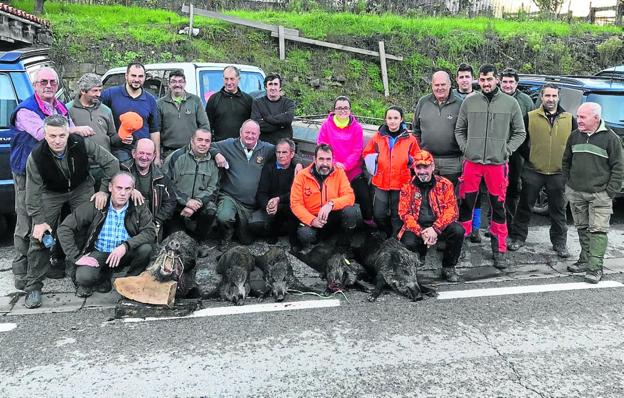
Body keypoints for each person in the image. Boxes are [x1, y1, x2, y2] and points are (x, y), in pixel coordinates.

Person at [9, 67, 95, 290]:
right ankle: (22, 271)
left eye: (52, 82)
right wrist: (75, 131)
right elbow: (42, 133)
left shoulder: (57, 107)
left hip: (51, 173)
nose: (48, 86)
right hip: (25, 171)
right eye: (43, 82)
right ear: (35, 85)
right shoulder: (25, 110)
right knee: (27, 222)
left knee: (54, 221)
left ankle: (49, 264)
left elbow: (68, 130)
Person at [23, 115, 120, 308]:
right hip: (51, 193)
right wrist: (39, 220)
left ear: (68, 133)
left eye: (61, 135)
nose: (57, 140)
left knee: (87, 230)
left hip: (81, 187)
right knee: (40, 236)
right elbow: (32, 193)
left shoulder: (81, 144)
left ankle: (83, 278)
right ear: (45, 135)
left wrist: (102, 190)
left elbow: (112, 163)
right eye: (52, 136)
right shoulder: (35, 157)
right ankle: (33, 286)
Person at [454, 64, 526, 269]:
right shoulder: (470, 102)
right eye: (483, 80)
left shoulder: (510, 103)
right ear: (479, 80)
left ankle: (499, 250)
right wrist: (466, 148)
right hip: (472, 162)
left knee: (498, 208)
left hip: (497, 164)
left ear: (497, 80)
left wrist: (506, 150)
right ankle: (459, 248)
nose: (486, 83)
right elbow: (460, 129)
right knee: (466, 205)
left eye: (490, 79)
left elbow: (520, 132)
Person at [57, 172, 156, 298]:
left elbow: (150, 232)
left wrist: (125, 246)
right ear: (110, 187)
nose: (123, 193)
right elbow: (64, 228)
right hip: (100, 251)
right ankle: (104, 275)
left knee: (146, 249)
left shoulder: (138, 206)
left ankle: (130, 281)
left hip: (124, 253)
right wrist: (76, 256)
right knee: (84, 277)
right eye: (119, 188)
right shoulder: (97, 204)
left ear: (133, 190)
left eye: (127, 189)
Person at [508, 84, 576, 257]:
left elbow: (574, 144)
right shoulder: (530, 117)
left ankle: (560, 243)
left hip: (558, 173)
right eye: (547, 96)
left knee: (558, 210)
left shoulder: (569, 119)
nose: (550, 99)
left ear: (558, 97)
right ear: (541, 97)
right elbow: (520, 140)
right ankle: (517, 238)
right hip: (533, 170)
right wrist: (531, 156)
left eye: (554, 96)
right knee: (524, 207)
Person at [562, 102, 624, 283]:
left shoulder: (611, 139)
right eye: (578, 116)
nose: (578, 120)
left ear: (596, 118)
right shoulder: (574, 136)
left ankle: (595, 268)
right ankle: (585, 259)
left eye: (582, 117)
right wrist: (569, 184)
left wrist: (609, 192)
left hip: (600, 194)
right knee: (582, 227)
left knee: (597, 230)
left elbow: (619, 168)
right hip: (576, 192)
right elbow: (566, 161)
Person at [210, 120, 277, 249]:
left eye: (254, 133)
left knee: (246, 240)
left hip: (250, 203)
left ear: (259, 134)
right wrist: (217, 154)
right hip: (230, 196)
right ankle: (225, 236)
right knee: (224, 217)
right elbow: (209, 145)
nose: (250, 136)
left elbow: (284, 150)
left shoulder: (267, 149)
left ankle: (238, 228)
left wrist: (298, 163)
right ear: (240, 132)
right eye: (247, 132)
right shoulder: (229, 144)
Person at [397, 151, 464, 282]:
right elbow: (404, 213)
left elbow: (452, 210)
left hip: (439, 224)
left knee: (458, 231)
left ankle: (448, 267)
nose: (422, 171)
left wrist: (435, 229)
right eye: (418, 167)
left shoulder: (445, 184)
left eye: (425, 167)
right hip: (418, 226)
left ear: (432, 167)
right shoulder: (407, 187)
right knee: (407, 242)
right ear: (414, 168)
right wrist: (421, 232)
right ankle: (417, 259)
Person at [362, 106, 420, 238]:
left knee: (397, 213)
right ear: (385, 120)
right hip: (381, 181)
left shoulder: (410, 139)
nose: (392, 121)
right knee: (378, 214)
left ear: (401, 120)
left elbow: (417, 158)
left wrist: (410, 160)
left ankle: (395, 238)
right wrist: (376, 159)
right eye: (389, 118)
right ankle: (385, 232)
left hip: (401, 183)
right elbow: (366, 153)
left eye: (395, 118)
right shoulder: (377, 137)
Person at [317, 95, 374, 227]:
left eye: (346, 108)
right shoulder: (326, 126)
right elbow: (322, 146)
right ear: (334, 110)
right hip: (332, 170)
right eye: (339, 108)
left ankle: (368, 223)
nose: (343, 111)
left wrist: (345, 165)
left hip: (352, 171)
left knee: (365, 196)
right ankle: (328, 223)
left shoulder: (357, 128)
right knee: (328, 196)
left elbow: (357, 150)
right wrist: (334, 164)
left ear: (350, 110)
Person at [290, 143, 358, 247]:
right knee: (305, 235)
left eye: (328, 159)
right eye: (321, 159)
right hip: (314, 218)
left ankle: (343, 245)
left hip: (333, 214)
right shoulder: (302, 176)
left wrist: (331, 204)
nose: (325, 163)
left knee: (350, 211)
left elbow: (350, 196)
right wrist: (312, 220)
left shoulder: (339, 173)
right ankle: (319, 240)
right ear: (315, 159)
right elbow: (295, 204)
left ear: (332, 159)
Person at [164, 128, 219, 241]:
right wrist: (186, 201)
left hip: (199, 205)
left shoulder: (213, 162)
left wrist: (197, 202)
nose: (203, 144)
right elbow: (167, 184)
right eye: (199, 140)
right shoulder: (176, 157)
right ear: (192, 140)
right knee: (176, 239)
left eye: (207, 141)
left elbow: (213, 189)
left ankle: (198, 242)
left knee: (211, 209)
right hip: (177, 206)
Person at [67, 73, 117, 190]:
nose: (98, 94)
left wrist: (123, 137)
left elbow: (112, 136)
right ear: (83, 91)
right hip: (80, 167)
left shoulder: (106, 110)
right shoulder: (68, 110)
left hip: (103, 167)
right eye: (94, 91)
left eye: (100, 90)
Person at [101, 62, 159, 163]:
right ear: (126, 76)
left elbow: (154, 130)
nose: (137, 79)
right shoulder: (110, 94)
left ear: (145, 77)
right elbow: (95, 111)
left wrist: (157, 157)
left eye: (140, 76)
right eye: (133, 75)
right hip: (119, 152)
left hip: (143, 154)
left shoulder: (150, 99)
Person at [412, 71, 463, 186]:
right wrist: (419, 155)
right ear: (432, 86)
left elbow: (466, 133)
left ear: (450, 85)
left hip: (453, 162)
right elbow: (416, 130)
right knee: (428, 197)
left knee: (450, 199)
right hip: (427, 160)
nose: (440, 88)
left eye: (443, 84)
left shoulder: (461, 104)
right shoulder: (423, 102)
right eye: (437, 85)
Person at [121, 138, 176, 241]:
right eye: (141, 153)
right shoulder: (122, 170)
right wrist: (130, 189)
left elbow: (170, 202)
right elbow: (114, 191)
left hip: (152, 224)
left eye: (148, 154)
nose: (144, 157)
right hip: (125, 222)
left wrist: (158, 221)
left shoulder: (162, 177)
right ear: (133, 153)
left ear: (154, 156)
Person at [499, 67, 535, 226]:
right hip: (496, 150)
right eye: (505, 82)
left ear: (516, 83)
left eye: (511, 82)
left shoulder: (526, 101)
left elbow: (532, 127)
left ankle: (511, 224)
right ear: (500, 83)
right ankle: (496, 221)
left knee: (513, 187)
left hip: (517, 151)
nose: (507, 85)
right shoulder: (494, 98)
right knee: (496, 188)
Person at [248, 138, 298, 246]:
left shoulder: (296, 170)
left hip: (289, 208)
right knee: (253, 224)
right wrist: (268, 206)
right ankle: (277, 229)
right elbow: (261, 192)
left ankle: (282, 231)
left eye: (284, 152)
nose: (280, 155)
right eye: (278, 152)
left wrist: (278, 201)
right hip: (271, 209)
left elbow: (296, 194)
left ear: (292, 154)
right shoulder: (268, 168)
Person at [453, 63, 482, 242]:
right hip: (454, 150)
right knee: (456, 192)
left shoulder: (479, 98)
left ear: (473, 79)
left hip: (474, 152)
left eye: (467, 76)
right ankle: (457, 226)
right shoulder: (452, 97)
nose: (464, 80)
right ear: (457, 79)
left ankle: (476, 227)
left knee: (475, 192)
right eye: (461, 77)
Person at [156, 70, 210, 160]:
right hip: (168, 153)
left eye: (180, 81)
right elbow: (156, 131)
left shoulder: (195, 100)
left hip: (192, 152)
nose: (177, 85)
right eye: (173, 81)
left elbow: (204, 126)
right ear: (169, 84)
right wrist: (157, 156)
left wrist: (202, 148)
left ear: (185, 83)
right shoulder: (160, 103)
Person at [205, 65, 253, 142]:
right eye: (226, 79)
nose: (229, 82)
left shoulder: (248, 100)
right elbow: (207, 125)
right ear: (223, 79)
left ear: (238, 79)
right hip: (220, 146)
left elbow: (252, 125)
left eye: (232, 79)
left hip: (242, 146)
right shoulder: (214, 99)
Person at [251, 73, 295, 145]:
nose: (273, 87)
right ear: (266, 87)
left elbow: (288, 119)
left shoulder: (288, 103)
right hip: (264, 147)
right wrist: (281, 125)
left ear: (280, 87)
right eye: (270, 84)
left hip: (283, 147)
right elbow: (256, 125)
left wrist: (267, 118)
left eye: (275, 84)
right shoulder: (257, 103)